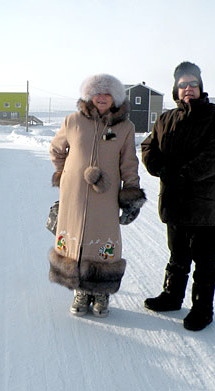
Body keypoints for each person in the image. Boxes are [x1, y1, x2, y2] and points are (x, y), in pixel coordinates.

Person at [141, 61, 215, 331]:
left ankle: (202, 309)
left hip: (203, 204)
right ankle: (172, 296)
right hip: (173, 201)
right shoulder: (165, 119)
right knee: (177, 254)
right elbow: (149, 147)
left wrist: (184, 174)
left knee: (204, 260)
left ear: (200, 87)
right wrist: (159, 167)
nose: (188, 89)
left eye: (193, 84)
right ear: (176, 88)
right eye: (183, 85)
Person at [49, 73, 146, 318]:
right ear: (89, 96)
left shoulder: (125, 127)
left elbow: (129, 163)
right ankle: (80, 290)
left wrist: (131, 194)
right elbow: (56, 150)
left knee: (103, 238)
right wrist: (65, 174)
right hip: (74, 194)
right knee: (75, 237)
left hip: (106, 195)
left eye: (107, 94)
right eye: (97, 93)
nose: (102, 97)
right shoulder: (73, 121)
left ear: (115, 98)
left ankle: (100, 291)